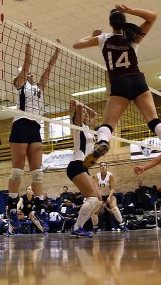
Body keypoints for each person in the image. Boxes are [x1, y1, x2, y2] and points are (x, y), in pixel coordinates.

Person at [73, 3, 161, 181]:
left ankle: (103, 143)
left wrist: (93, 35)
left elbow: (76, 45)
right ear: (124, 21)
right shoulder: (132, 36)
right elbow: (153, 16)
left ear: (111, 24)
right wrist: (130, 10)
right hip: (137, 80)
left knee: (108, 124)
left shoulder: (103, 38)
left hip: (119, 83)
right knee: (154, 120)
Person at [7, 23, 61, 235]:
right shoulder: (20, 84)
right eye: (26, 73)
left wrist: (57, 50)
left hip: (35, 127)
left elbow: (48, 69)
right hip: (20, 124)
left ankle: (39, 209)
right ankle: (11, 208)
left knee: (37, 174)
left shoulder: (38, 88)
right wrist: (29, 36)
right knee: (18, 171)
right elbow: (27, 62)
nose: (29, 74)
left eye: (28, 74)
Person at [66, 100, 102, 238]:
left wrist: (85, 108)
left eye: (87, 113)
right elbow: (79, 107)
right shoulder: (78, 127)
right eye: (83, 114)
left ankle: (78, 225)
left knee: (98, 200)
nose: (87, 114)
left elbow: (96, 114)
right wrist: (78, 105)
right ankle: (77, 227)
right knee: (92, 198)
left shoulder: (88, 128)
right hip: (76, 165)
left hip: (84, 167)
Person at [94, 162, 128, 231]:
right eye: (101, 165)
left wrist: (109, 197)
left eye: (104, 165)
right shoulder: (97, 176)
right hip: (101, 195)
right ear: (100, 167)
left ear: (106, 167)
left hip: (110, 194)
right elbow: (96, 189)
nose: (103, 167)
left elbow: (112, 188)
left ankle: (122, 225)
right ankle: (95, 227)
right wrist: (101, 199)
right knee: (95, 211)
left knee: (114, 209)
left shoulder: (110, 175)